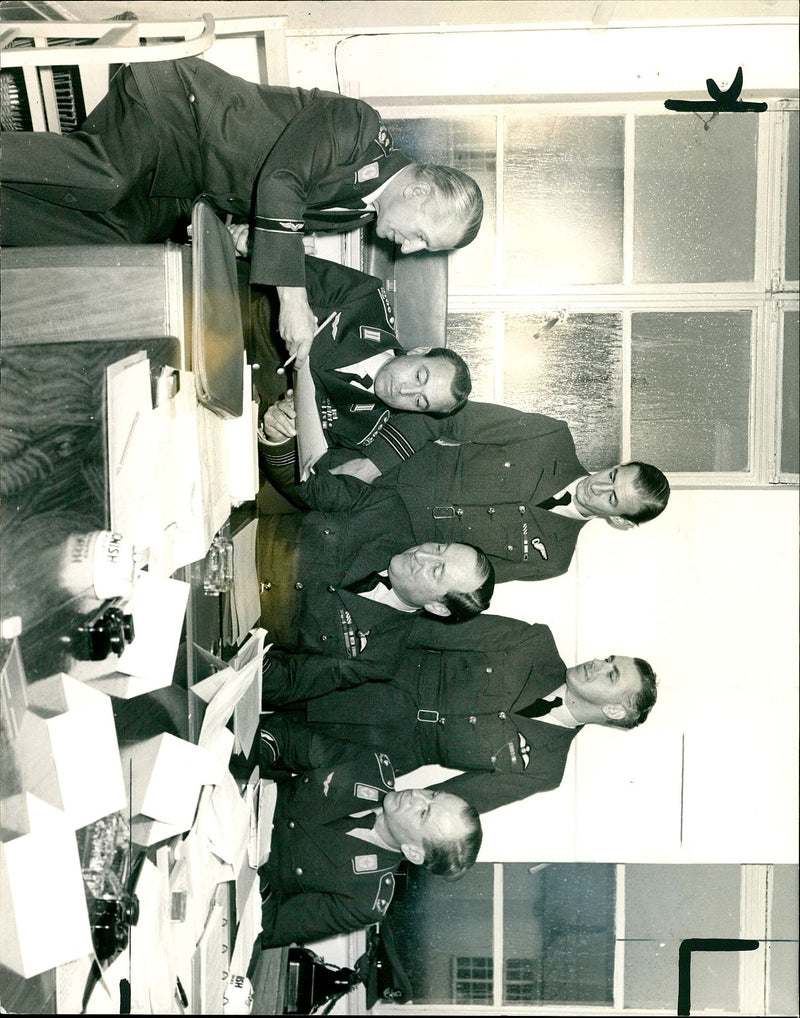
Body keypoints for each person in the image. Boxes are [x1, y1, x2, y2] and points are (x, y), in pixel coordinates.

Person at [1, 56, 483, 367]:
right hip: (176, 116)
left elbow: (266, 209)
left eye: (423, 247)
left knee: (117, 245)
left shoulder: (356, 212)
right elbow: (282, 181)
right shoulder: (358, 128)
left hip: (187, 181)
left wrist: (245, 235)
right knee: (105, 178)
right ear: (420, 193)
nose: (412, 249)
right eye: (423, 236)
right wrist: (292, 300)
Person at [266, 613, 657, 815]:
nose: (597, 662)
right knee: (251, 679)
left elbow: (448, 802)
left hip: (377, 750)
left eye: (611, 673)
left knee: (258, 748)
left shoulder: (545, 768)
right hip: (367, 680)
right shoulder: (534, 643)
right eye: (608, 658)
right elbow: (430, 631)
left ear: (613, 709)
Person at [322, 400, 670, 582]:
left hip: (361, 540)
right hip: (367, 469)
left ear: (621, 522)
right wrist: (372, 465)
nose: (598, 486)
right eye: (612, 475)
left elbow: (454, 584)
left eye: (612, 498)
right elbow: (444, 416)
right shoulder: (550, 440)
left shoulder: (552, 560)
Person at [257, 464, 495, 702]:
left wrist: (244, 654)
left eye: (436, 569)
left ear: (438, 607)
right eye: (440, 548)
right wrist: (279, 443)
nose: (422, 554)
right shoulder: (387, 511)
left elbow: (288, 682)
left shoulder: (380, 656)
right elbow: (306, 484)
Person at [257, 714, 482, 948]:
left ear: (414, 852)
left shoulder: (365, 899)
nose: (416, 795)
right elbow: (285, 736)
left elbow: (271, 926)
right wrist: (254, 763)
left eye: (423, 813)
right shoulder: (369, 767)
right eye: (432, 795)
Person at [254, 256, 471, 472]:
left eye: (419, 401)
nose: (404, 390)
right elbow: (282, 262)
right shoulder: (368, 301)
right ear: (420, 351)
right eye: (418, 377)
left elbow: (298, 474)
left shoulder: (363, 433)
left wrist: (276, 435)